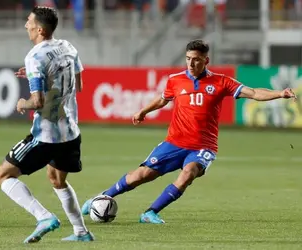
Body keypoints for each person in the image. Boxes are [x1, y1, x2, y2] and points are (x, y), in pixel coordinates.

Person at [81, 39, 297, 224]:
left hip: (203, 147)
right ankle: (101, 198)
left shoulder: (221, 82)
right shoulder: (175, 80)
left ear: (206, 60)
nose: (191, 63)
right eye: (188, 58)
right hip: (174, 142)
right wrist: (143, 111)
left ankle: (150, 213)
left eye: (196, 59)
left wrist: (280, 93)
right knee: (142, 175)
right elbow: (163, 99)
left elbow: (255, 92)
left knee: (188, 174)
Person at [0, 6, 95, 243]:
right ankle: (81, 232)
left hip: (46, 135)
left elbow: (37, 102)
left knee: (3, 175)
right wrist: (40, 78)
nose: (25, 25)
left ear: (40, 29)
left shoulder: (34, 57)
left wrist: (22, 103)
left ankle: (44, 217)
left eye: (29, 21)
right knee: (57, 179)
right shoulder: (68, 47)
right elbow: (77, 85)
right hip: (71, 132)